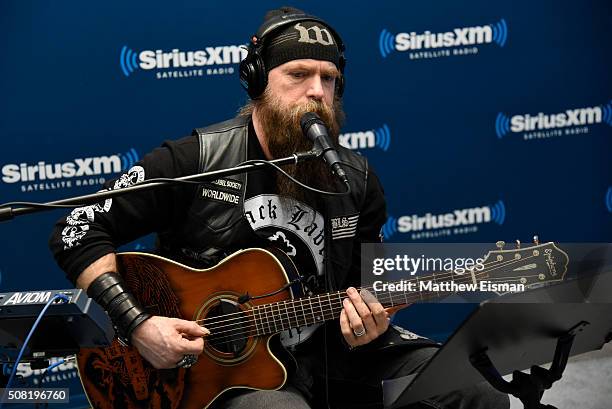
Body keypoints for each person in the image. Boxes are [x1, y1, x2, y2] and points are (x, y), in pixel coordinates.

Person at [49, 7, 509, 409]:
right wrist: (138, 325)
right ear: (258, 83)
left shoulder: (356, 178)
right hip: (216, 375)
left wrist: (368, 319)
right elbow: (75, 230)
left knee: (475, 390)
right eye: (298, 74)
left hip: (335, 355)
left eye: (329, 79)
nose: (317, 91)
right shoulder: (195, 161)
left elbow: (363, 289)